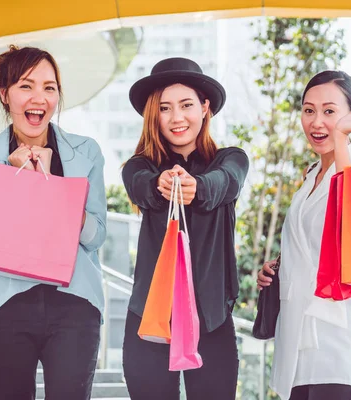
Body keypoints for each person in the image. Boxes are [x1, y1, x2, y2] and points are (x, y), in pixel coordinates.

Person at [0, 45, 107, 400]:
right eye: (26, 86)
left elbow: (96, 236)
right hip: (4, 305)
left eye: (50, 87)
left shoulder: (86, 152)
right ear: (5, 94)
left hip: (75, 303)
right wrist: (16, 180)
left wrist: (53, 188)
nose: (39, 97)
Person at [121, 57, 249, 400]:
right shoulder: (140, 166)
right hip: (148, 320)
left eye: (187, 105)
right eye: (165, 108)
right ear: (154, 115)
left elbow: (227, 182)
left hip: (212, 321)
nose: (177, 117)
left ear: (205, 107)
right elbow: (139, 185)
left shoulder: (230, 159)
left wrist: (199, 188)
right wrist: (160, 184)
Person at [257, 70, 351, 400]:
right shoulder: (311, 174)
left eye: (329, 111)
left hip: (335, 342)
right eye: (309, 110)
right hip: (296, 340)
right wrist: (279, 267)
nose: (317, 122)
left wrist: (341, 138)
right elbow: (313, 244)